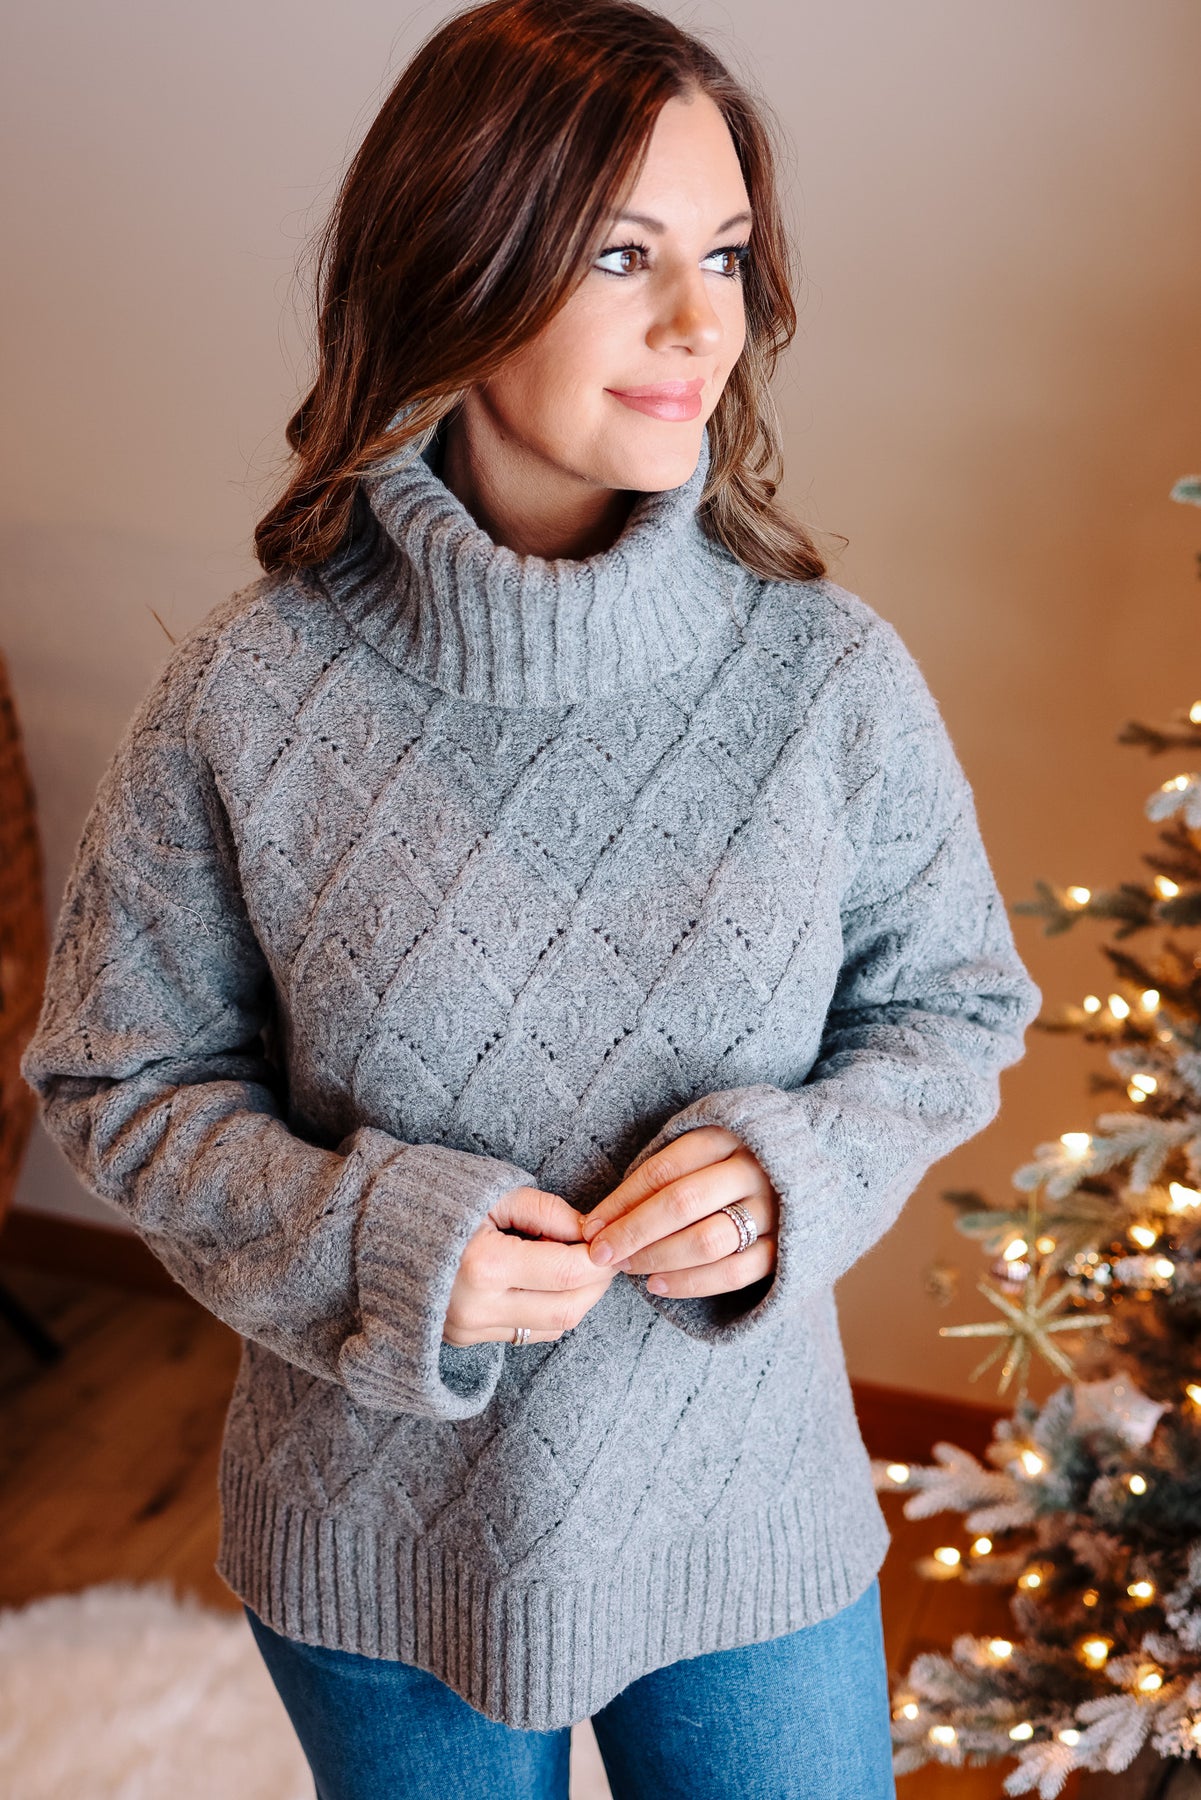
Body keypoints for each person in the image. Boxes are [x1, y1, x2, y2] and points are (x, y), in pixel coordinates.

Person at [19, 1, 1043, 1795]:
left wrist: (795, 1171)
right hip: (374, 1533)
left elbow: (953, 1003)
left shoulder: (825, 677)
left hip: (741, 1510)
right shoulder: (247, 697)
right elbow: (120, 1080)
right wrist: (372, 1235)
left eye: (726, 253)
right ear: (456, 265)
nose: (701, 322)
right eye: (620, 254)